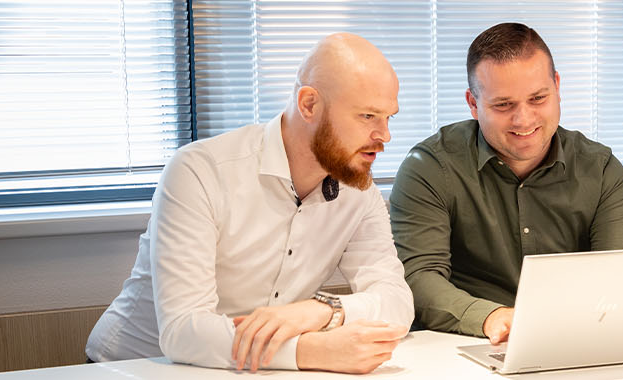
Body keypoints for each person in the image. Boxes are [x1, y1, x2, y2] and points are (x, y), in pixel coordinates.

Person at [85, 33, 414, 374]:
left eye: (389, 117)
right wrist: (308, 350)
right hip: (135, 367)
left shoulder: (357, 189)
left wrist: (325, 310)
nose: (384, 135)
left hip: (251, 370)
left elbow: (397, 301)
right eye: (368, 116)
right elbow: (182, 331)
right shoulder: (200, 170)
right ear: (309, 105)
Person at [389, 22, 623, 344]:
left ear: (557, 87)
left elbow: (622, 272)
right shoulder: (429, 167)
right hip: (464, 342)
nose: (524, 120)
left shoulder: (601, 168)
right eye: (503, 105)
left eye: (538, 98)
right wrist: (491, 317)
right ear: (473, 103)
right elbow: (416, 278)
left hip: (573, 340)